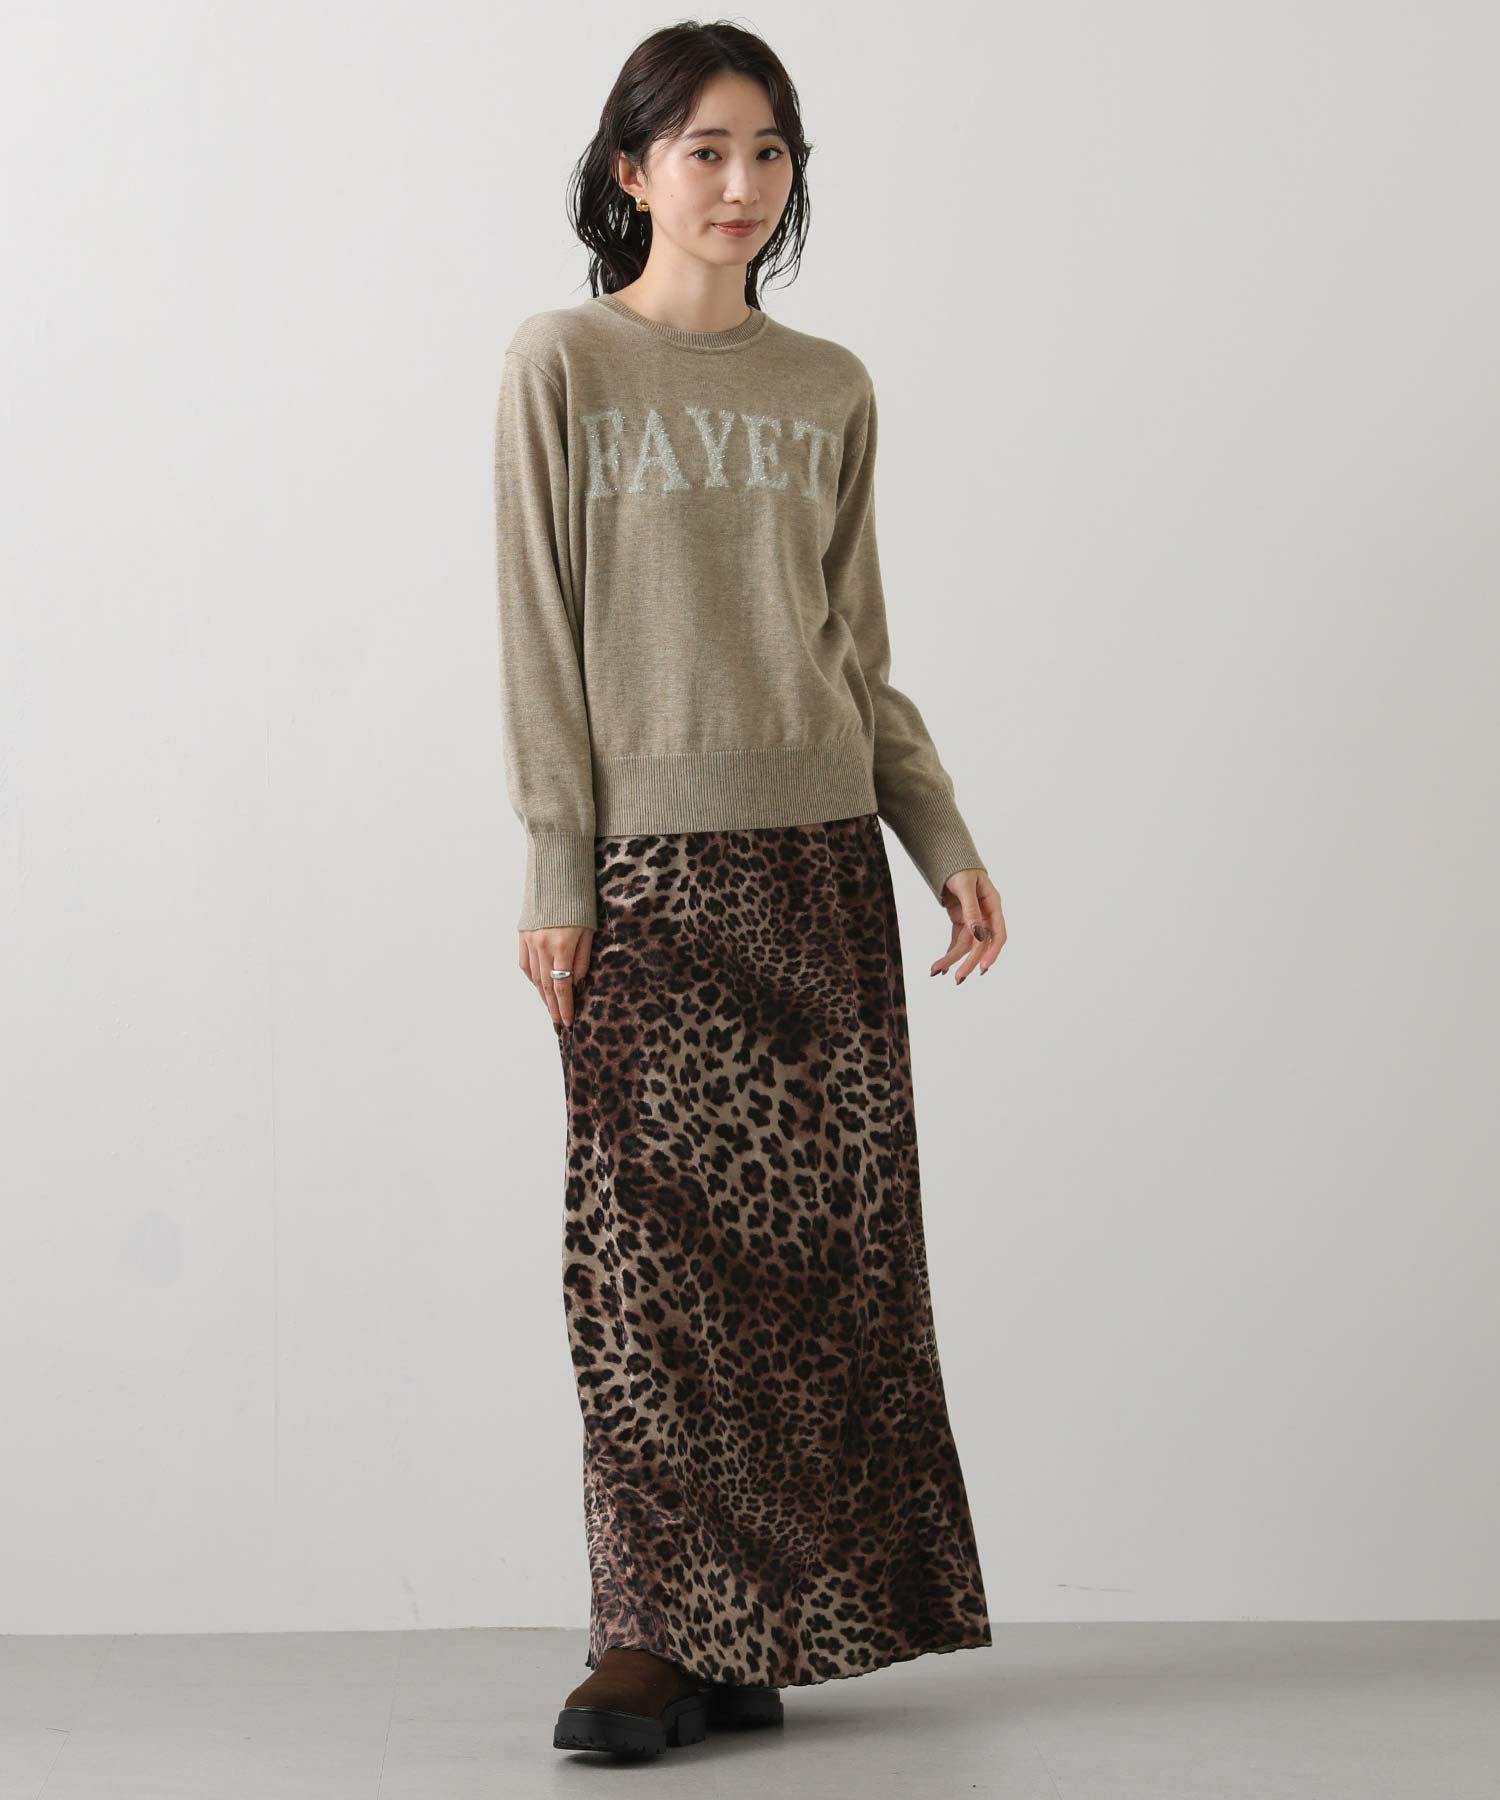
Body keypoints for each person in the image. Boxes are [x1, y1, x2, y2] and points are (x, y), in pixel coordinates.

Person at [493, 19, 1008, 1761]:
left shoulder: (828, 386)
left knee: (814, 1267)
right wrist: (559, 864)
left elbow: (855, 650)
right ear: (631, 172)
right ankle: (648, 1634)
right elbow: (538, 635)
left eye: (768, 149)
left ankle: (752, 1633)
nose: (741, 182)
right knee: (642, 1263)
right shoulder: (563, 362)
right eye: (704, 149)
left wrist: (940, 837)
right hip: (643, 872)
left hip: (820, 861)